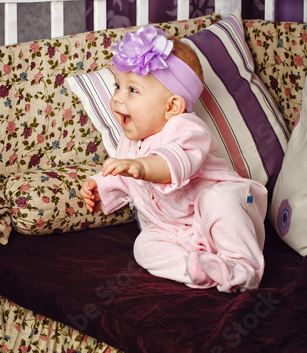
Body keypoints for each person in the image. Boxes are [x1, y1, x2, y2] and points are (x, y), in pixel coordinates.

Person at [80, 25, 268, 293]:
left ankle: (243, 267)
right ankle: (201, 269)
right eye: (117, 86)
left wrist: (139, 167)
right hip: (179, 233)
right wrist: (98, 186)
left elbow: (170, 165)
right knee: (144, 246)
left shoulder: (188, 129)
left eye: (132, 90)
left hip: (234, 213)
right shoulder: (129, 144)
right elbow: (127, 180)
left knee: (219, 199)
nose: (117, 98)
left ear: (172, 107)